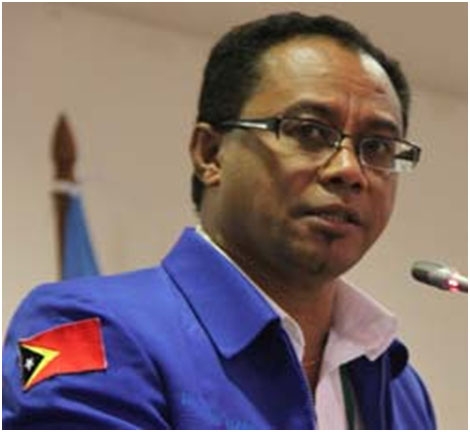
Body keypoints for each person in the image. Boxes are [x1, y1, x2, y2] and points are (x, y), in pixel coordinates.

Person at [3, 12, 436, 429]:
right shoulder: (94, 329)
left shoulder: (397, 383)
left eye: (378, 147)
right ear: (210, 154)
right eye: (309, 132)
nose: (349, 170)